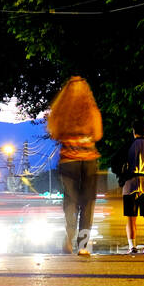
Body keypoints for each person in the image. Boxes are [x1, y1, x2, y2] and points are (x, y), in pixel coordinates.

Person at [47, 77, 103, 256]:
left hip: (68, 160)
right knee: (88, 203)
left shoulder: (60, 111)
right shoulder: (91, 109)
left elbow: (54, 133)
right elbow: (98, 133)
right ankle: (84, 245)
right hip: (89, 160)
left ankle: (69, 238)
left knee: (71, 202)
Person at [121, 123, 144, 255]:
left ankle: (132, 246)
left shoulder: (129, 145)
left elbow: (116, 161)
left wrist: (122, 175)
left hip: (131, 183)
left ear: (133, 131)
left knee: (131, 218)